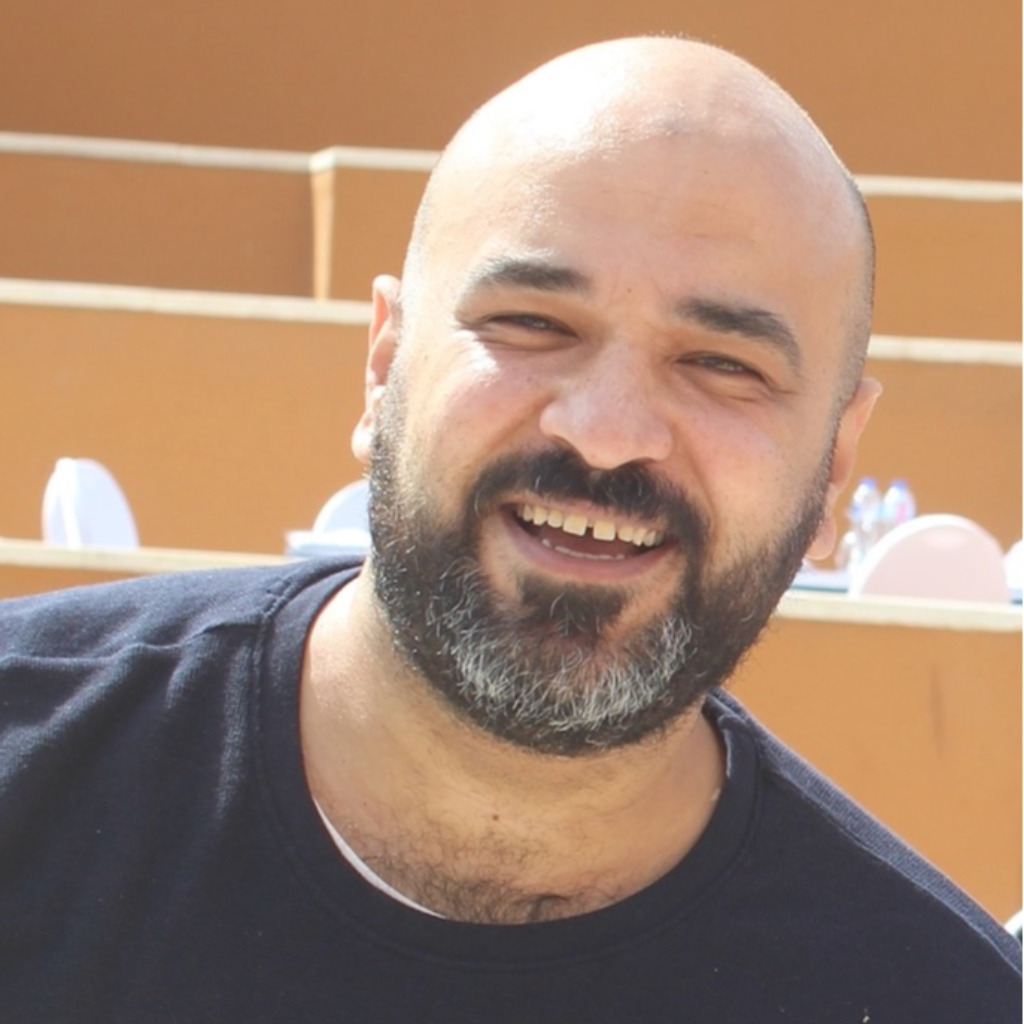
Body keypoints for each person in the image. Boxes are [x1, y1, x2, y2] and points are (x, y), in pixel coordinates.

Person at [0, 36, 1018, 1023]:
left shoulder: (942, 998)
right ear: (383, 367)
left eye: (722, 364)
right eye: (532, 322)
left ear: (834, 466)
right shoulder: (29, 764)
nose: (606, 432)